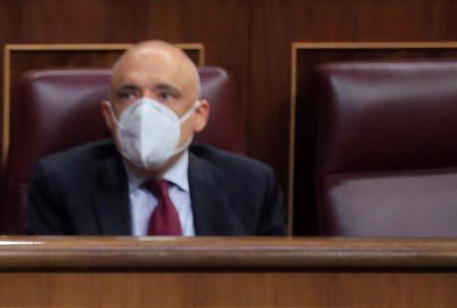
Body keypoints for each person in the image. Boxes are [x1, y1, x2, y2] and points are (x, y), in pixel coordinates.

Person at [25, 40, 286, 236]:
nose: (144, 110)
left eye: (165, 95)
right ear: (108, 115)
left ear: (199, 115)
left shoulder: (252, 186)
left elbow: (271, 290)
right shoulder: (60, 184)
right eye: (128, 95)